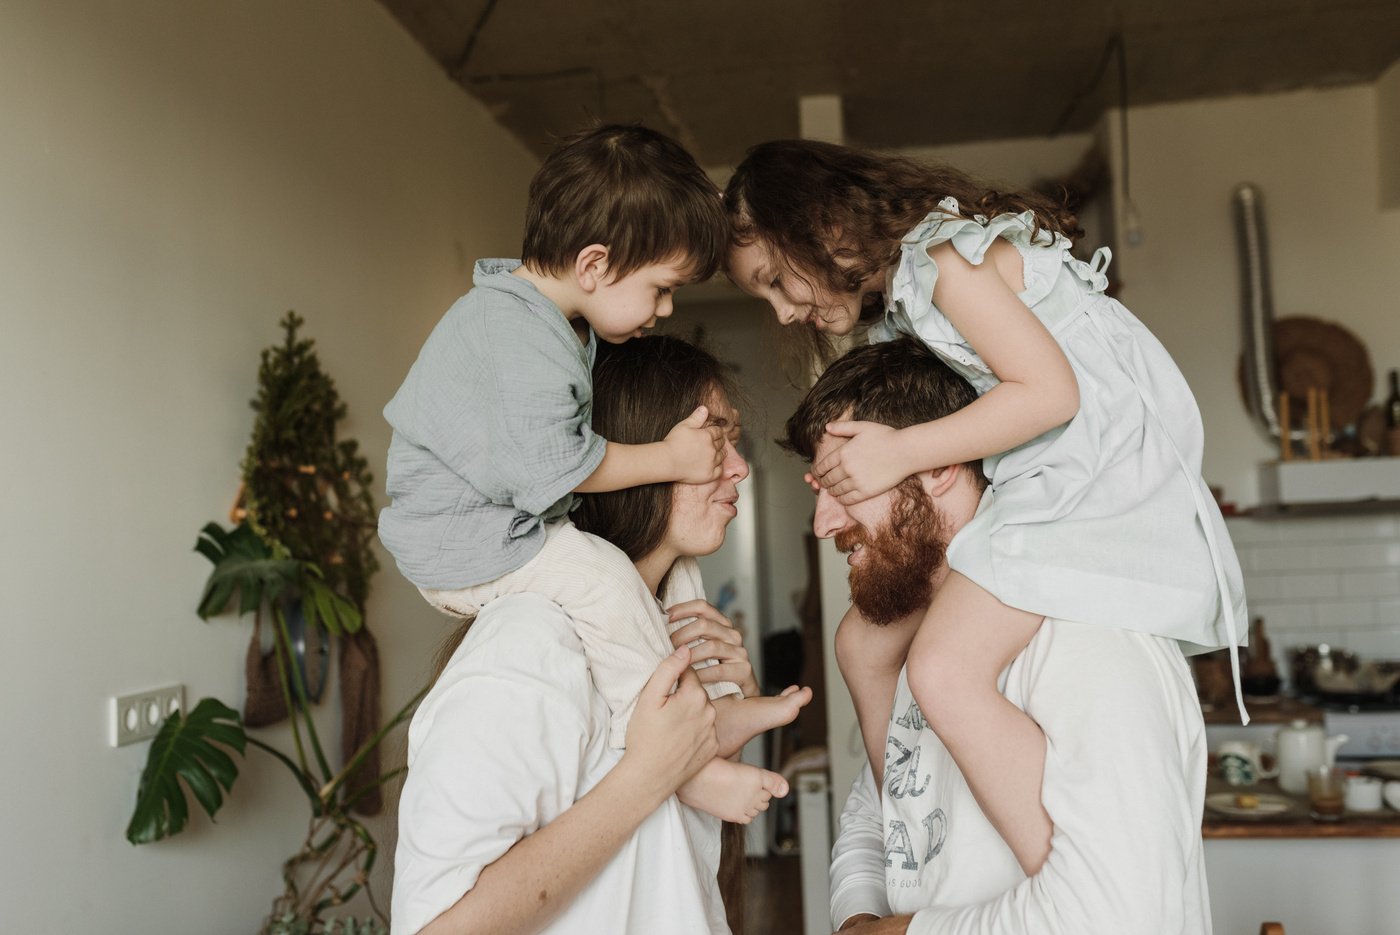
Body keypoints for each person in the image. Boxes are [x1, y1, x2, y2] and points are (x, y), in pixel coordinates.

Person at [725, 140, 1245, 873]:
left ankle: (1054, 870)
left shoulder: (942, 261)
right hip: (1046, 484)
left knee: (942, 670)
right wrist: (856, 469)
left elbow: (1050, 393)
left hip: (1090, 490)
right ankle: (914, 850)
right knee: (861, 643)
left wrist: (900, 454)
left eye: (776, 279)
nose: (781, 311)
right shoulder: (903, 303)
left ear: (827, 227)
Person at [381, 124, 789, 823]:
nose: (665, 312)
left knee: (661, 581)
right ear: (594, 265)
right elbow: (556, 469)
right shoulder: (515, 335)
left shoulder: (554, 322)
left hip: (493, 521)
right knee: (602, 579)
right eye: (662, 289)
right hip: (465, 539)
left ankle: (707, 715)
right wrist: (671, 456)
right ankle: (683, 763)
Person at [782, 338, 1210, 935]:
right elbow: (884, 815)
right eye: (819, 493)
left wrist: (892, 934)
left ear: (936, 465)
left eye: (844, 485)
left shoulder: (1089, 636)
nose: (824, 524)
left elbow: (1120, 917)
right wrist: (857, 917)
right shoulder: (931, 630)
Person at [393, 336, 811, 935]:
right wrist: (648, 777)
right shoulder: (525, 645)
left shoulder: (670, 629)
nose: (740, 467)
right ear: (638, 451)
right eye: (715, 440)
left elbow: (678, 865)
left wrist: (723, 721)